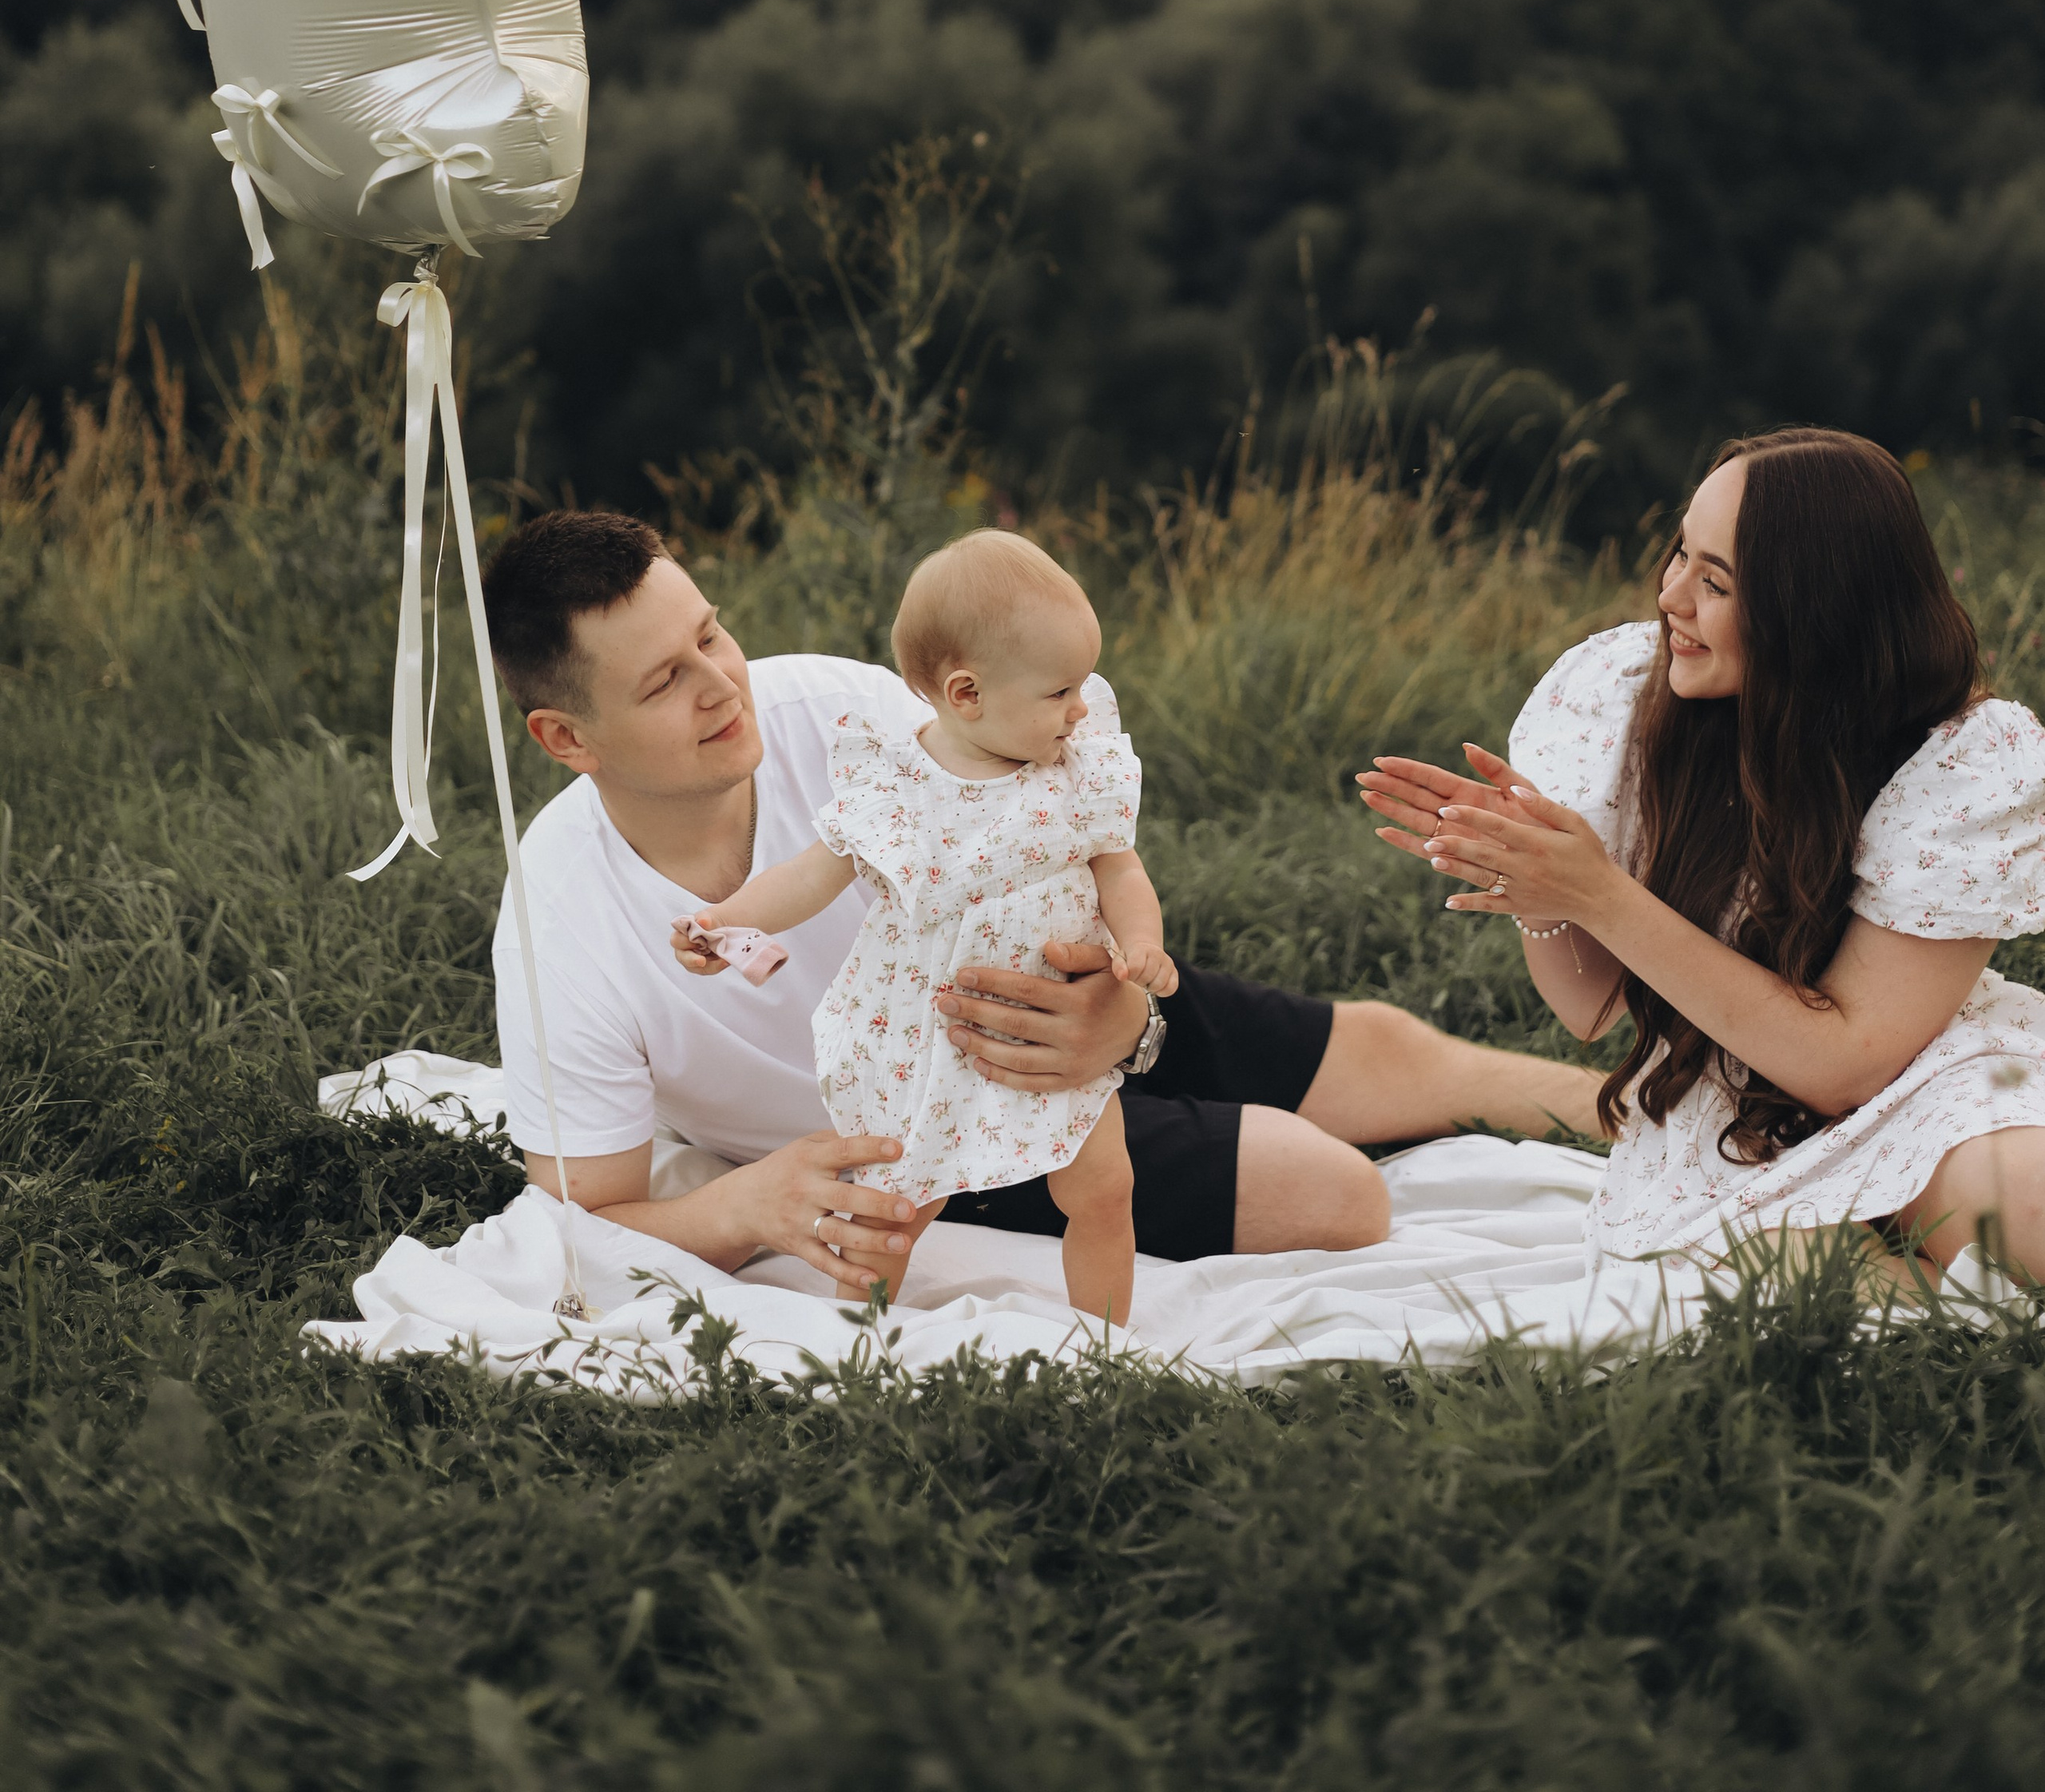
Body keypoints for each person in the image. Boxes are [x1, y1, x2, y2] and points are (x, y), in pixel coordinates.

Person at [482, 509, 1602, 1298]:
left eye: (710, 634)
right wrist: (745, 1208)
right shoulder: (562, 929)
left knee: (1386, 1052)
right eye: (664, 681)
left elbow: (1043, 835)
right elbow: (590, 1213)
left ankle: (1665, 1107)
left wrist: (1122, 1011)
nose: (722, 682)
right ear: (566, 739)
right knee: (1335, 1193)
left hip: (1067, 988)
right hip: (950, 1125)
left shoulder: (839, 712)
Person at [1359, 427, 2045, 1279]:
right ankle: (1881, 1278)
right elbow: (1591, 1007)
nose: (1670, 596)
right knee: (1781, 1270)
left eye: (1714, 580)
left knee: (2027, 1212)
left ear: (1812, 611)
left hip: (1916, 1078)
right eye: (1679, 553)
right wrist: (1540, 888)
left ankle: (1908, 1266)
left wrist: (1602, 894)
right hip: (1726, 1120)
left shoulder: (1963, 758)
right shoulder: (1624, 698)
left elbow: (1849, 1068)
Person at [680, 533, 1235, 1325]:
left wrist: (1139, 942)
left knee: (1105, 1188)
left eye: (1081, 685)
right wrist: (723, 922)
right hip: (929, 1034)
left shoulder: (1073, 768)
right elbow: (807, 877)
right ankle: (858, 1339)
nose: (1080, 709)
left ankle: (1108, 1344)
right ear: (966, 693)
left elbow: (1120, 868)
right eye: (1058, 691)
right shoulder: (894, 784)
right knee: (893, 1211)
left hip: (1048, 1038)